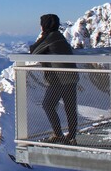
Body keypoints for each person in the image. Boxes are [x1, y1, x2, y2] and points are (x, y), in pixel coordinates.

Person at [29, 14, 78, 145]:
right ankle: (72, 136)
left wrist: (42, 39)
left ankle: (58, 133)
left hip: (59, 78)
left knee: (48, 104)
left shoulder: (50, 37)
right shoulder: (59, 36)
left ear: (44, 25)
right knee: (70, 107)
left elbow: (33, 52)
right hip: (72, 76)